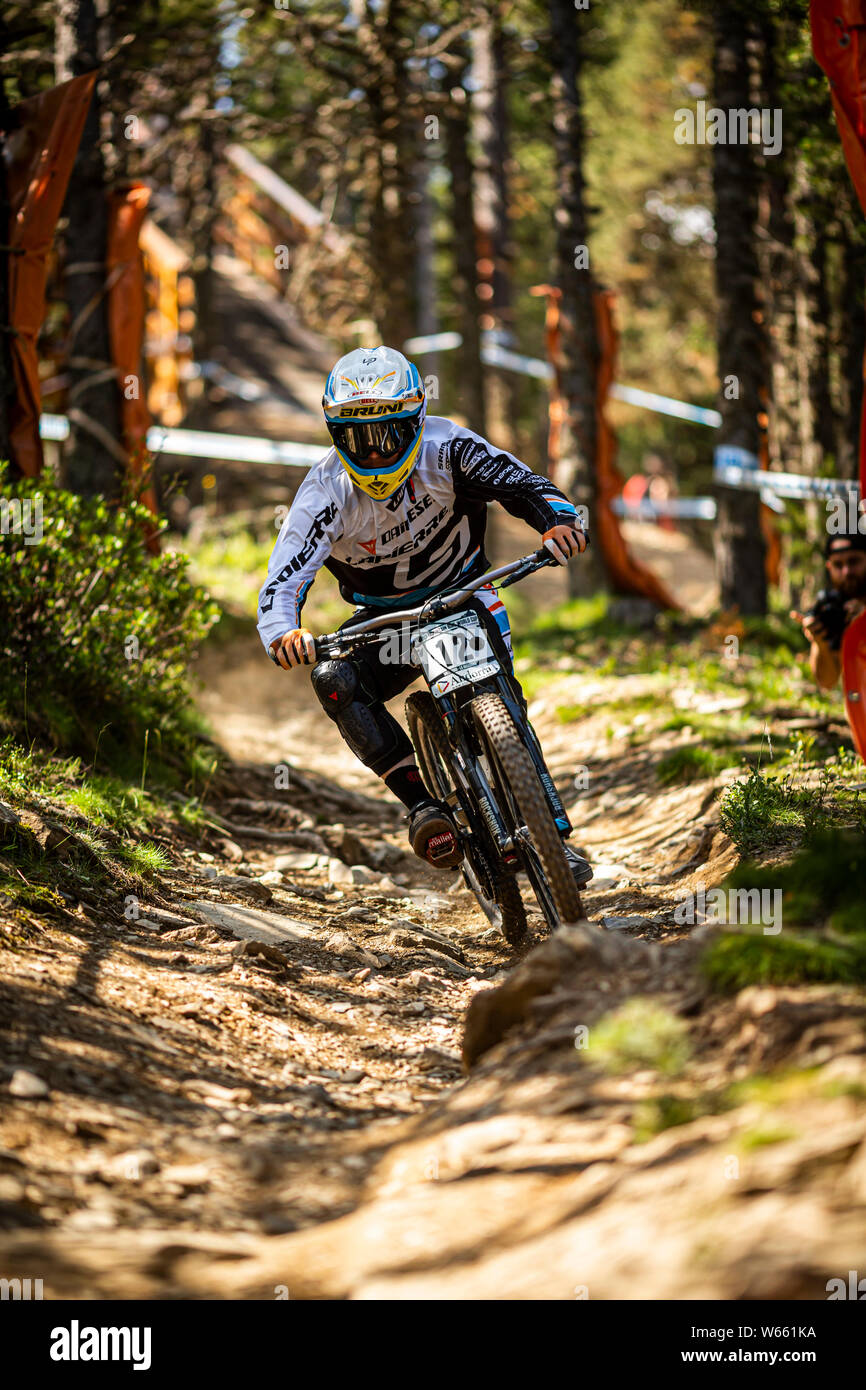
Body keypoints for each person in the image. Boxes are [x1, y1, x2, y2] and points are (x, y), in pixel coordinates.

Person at [257, 345, 591, 883]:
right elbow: (283, 577)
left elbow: (522, 485)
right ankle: (420, 805)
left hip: (465, 596)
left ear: (416, 420)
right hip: (386, 626)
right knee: (334, 678)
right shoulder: (324, 493)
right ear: (333, 433)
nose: (373, 451)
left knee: (505, 700)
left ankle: (554, 837)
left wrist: (557, 521)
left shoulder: (447, 447)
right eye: (356, 437)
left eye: (387, 433)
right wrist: (283, 632)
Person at [791, 531, 866, 690]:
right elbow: (827, 681)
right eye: (838, 565)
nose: (847, 572)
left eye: (854, 562)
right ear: (829, 567)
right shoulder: (833, 609)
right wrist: (820, 643)